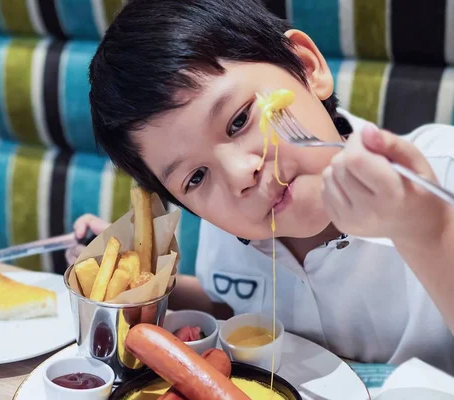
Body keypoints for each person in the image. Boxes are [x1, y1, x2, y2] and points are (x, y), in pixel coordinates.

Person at [69, 0, 454, 373]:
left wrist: (427, 230)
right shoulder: (225, 233)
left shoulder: (440, 176)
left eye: (238, 121)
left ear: (306, 66)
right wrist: (147, 281)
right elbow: (235, 303)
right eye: (196, 177)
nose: (239, 175)